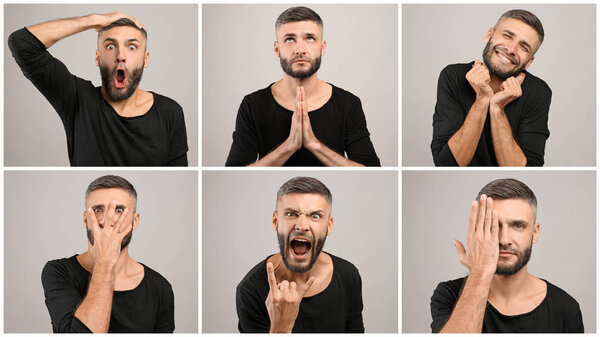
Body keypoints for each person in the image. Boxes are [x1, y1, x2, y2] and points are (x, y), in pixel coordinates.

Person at [8, 12, 188, 166]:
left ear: (145, 59)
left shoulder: (170, 113)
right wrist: (94, 20)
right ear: (97, 57)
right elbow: (22, 43)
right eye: (110, 46)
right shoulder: (78, 100)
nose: (120, 56)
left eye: (132, 47)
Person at [225, 6, 380, 167]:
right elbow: (233, 170)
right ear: (277, 49)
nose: (300, 50)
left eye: (310, 38)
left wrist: (314, 144)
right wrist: (289, 146)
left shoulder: (348, 104)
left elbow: (372, 170)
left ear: (322, 47)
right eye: (290, 39)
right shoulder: (252, 105)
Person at [430, 178, 583, 333]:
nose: (504, 239)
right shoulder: (448, 294)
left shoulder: (566, 308)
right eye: (493, 226)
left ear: (534, 233)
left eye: (518, 226)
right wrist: (480, 271)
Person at [41, 175, 174, 332]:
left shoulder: (160, 288)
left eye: (119, 210)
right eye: (98, 210)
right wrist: (105, 262)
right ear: (85, 220)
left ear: (135, 221)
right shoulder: (59, 272)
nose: (107, 220)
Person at [236, 177, 364, 332]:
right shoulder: (251, 290)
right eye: (291, 214)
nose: (302, 226)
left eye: (315, 216)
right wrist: (281, 327)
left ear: (328, 226)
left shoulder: (348, 275)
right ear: (275, 221)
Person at [431, 10, 551, 166]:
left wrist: (497, 109)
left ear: (529, 61)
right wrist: (482, 99)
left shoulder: (538, 92)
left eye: (524, 47)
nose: (511, 49)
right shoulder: (453, 76)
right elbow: (446, 166)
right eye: (507, 36)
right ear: (489, 35)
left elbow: (527, 170)